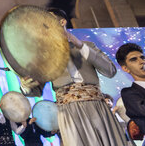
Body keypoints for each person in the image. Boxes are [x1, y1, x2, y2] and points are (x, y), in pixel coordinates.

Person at [20, 8, 127, 146]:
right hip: (67, 112)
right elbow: (36, 91)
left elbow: (110, 71)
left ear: (62, 22)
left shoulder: (87, 46)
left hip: (96, 107)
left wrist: (80, 45)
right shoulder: (43, 58)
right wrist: (26, 85)